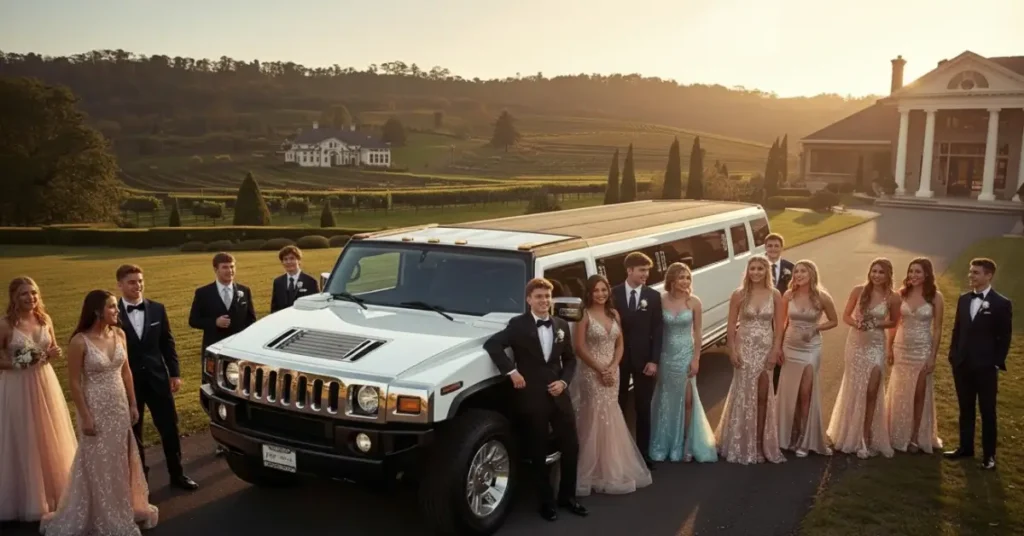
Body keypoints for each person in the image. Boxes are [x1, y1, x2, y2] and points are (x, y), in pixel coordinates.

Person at [40, 290, 159, 535]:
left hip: (118, 407)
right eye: (112, 307)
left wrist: (133, 404)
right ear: (97, 311)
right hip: (94, 407)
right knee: (95, 464)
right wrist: (85, 416)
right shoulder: (79, 342)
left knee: (119, 462)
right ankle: (98, 513)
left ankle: (120, 508)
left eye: (116, 307)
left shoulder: (119, 334)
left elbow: (126, 372)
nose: (117, 311)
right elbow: (74, 382)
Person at [483, 278, 587, 522]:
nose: (544, 301)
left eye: (547, 296)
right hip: (532, 398)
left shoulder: (561, 324)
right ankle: (546, 502)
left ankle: (568, 497)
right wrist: (511, 372)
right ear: (529, 299)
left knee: (571, 446)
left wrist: (563, 382)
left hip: (560, 396)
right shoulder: (517, 325)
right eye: (539, 296)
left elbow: (570, 360)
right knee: (538, 451)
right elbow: (493, 345)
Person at [0, 277, 77, 523]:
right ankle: (25, 499)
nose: (30, 298)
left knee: (48, 435)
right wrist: (21, 361)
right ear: (14, 297)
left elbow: (50, 349)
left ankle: (56, 494)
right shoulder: (5, 325)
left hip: (45, 384)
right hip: (17, 386)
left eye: (34, 293)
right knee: (24, 438)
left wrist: (54, 353)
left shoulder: (45, 319)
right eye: (24, 294)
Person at [116, 264, 198, 490]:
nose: (138, 285)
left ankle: (177, 474)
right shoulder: (112, 313)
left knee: (169, 427)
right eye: (132, 282)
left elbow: (167, 343)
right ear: (120, 285)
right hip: (128, 384)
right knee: (135, 432)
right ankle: (141, 482)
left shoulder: (157, 309)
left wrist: (175, 373)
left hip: (158, 379)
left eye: (140, 281)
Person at [570, 274, 652, 495]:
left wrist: (613, 366)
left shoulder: (614, 314)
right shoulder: (583, 315)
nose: (600, 294)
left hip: (612, 371)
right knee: (594, 415)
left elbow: (620, 344)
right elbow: (579, 347)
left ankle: (611, 469)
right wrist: (599, 369)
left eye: (604, 290)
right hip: (591, 372)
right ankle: (591, 470)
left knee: (612, 413)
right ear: (589, 293)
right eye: (596, 290)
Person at [715, 255, 786, 464]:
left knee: (763, 396)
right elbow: (730, 326)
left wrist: (775, 350)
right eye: (752, 268)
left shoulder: (775, 294)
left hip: (765, 350)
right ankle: (740, 442)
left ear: (767, 271)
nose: (756, 272)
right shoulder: (739, 294)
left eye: (760, 269)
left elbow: (779, 327)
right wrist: (732, 350)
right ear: (747, 271)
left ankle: (759, 444)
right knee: (744, 395)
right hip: (744, 349)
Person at [827, 258, 900, 459]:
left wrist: (875, 324)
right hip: (855, 345)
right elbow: (846, 316)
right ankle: (849, 433)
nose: (876, 275)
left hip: (876, 345)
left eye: (881, 272)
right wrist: (857, 324)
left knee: (872, 390)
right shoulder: (859, 291)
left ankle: (867, 436)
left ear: (888, 276)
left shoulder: (893, 297)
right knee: (855, 387)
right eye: (873, 271)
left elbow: (894, 321)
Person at [944, 258, 1013, 470]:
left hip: (985, 367)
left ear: (988, 275)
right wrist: (953, 356)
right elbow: (957, 330)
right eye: (970, 272)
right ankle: (965, 448)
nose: (971, 276)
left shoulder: (1001, 303)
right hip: (962, 364)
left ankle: (989, 455)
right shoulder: (964, 299)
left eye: (976, 272)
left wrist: (995, 363)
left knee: (987, 411)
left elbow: (1005, 337)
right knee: (966, 409)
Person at [188, 252, 257, 456]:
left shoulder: (244, 291)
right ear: (216, 269)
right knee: (214, 394)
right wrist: (214, 322)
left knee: (239, 395)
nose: (230, 271)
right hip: (214, 355)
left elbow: (251, 321)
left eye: (232, 266)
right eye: (225, 267)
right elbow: (193, 320)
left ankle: (240, 436)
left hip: (238, 356)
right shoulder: (203, 293)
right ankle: (220, 437)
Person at [649, 262, 717, 463]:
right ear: (671, 280)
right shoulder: (660, 300)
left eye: (687, 277)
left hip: (686, 354)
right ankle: (666, 442)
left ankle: (686, 444)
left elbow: (698, 333)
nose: (685, 281)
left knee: (688, 401)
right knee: (665, 400)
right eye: (681, 277)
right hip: (666, 356)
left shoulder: (694, 302)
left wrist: (696, 359)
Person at [777, 260, 838, 458]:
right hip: (790, 347)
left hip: (811, 348)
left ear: (812, 274)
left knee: (806, 393)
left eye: (803, 271)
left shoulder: (822, 297)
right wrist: (777, 347)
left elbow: (834, 320)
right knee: (788, 393)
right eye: (796, 271)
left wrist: (816, 328)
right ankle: (789, 435)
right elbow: (782, 323)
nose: (799, 274)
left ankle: (805, 438)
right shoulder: (788, 295)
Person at [884, 258, 945, 454]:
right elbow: (893, 324)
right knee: (900, 391)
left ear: (927, 274)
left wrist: (933, 357)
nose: (913, 275)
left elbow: (937, 329)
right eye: (911, 271)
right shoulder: (901, 295)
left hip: (922, 349)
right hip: (902, 347)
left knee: (919, 393)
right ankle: (896, 433)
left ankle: (915, 437)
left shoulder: (936, 297)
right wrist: (889, 347)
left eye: (918, 272)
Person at [611, 251, 664, 469]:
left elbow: (658, 329)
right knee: (619, 406)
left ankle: (643, 454)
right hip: (619, 361)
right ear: (629, 270)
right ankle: (621, 454)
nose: (645, 274)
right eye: (642, 270)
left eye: (647, 270)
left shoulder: (652, 296)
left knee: (643, 408)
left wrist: (654, 360)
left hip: (644, 362)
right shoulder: (613, 294)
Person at [765, 233, 793, 391]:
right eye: (770, 246)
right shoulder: (757, 266)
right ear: (765, 248)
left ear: (782, 248)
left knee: (780, 353)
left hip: (783, 317)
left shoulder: (791, 268)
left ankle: (777, 391)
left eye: (776, 246)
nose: (773, 249)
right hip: (763, 318)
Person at [270, 246, 320, 313]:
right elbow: (274, 308)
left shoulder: (311, 282)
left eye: (292, 258)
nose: (288, 262)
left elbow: (316, 307)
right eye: (285, 259)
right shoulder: (278, 282)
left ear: (299, 260)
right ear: (282, 262)